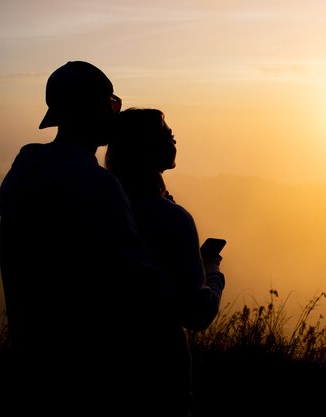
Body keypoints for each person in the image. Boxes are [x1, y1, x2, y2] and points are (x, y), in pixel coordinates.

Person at [0, 61, 191, 414]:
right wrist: (205, 278)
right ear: (95, 109)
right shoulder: (95, 184)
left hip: (33, 365)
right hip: (88, 380)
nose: (115, 113)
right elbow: (144, 280)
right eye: (112, 104)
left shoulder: (25, 170)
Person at [105, 108, 226, 417]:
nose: (173, 135)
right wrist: (212, 270)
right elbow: (197, 314)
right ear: (144, 147)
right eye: (163, 131)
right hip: (161, 372)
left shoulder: (106, 209)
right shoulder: (173, 219)